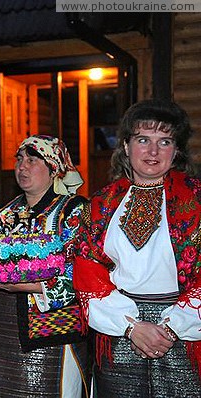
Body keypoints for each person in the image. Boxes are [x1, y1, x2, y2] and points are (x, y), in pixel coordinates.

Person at [73, 99, 201, 396]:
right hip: (119, 331)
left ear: (176, 150)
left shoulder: (196, 200)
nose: (153, 151)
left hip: (184, 332)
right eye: (143, 139)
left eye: (164, 141)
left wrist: (173, 326)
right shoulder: (101, 203)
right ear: (127, 147)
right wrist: (130, 326)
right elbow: (86, 266)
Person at [0, 135, 89, 397]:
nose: (21, 167)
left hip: (53, 333)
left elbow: (80, 274)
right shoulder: (5, 214)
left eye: (31, 160)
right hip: (2, 330)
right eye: (19, 160)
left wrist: (22, 285)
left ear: (53, 169)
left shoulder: (73, 211)